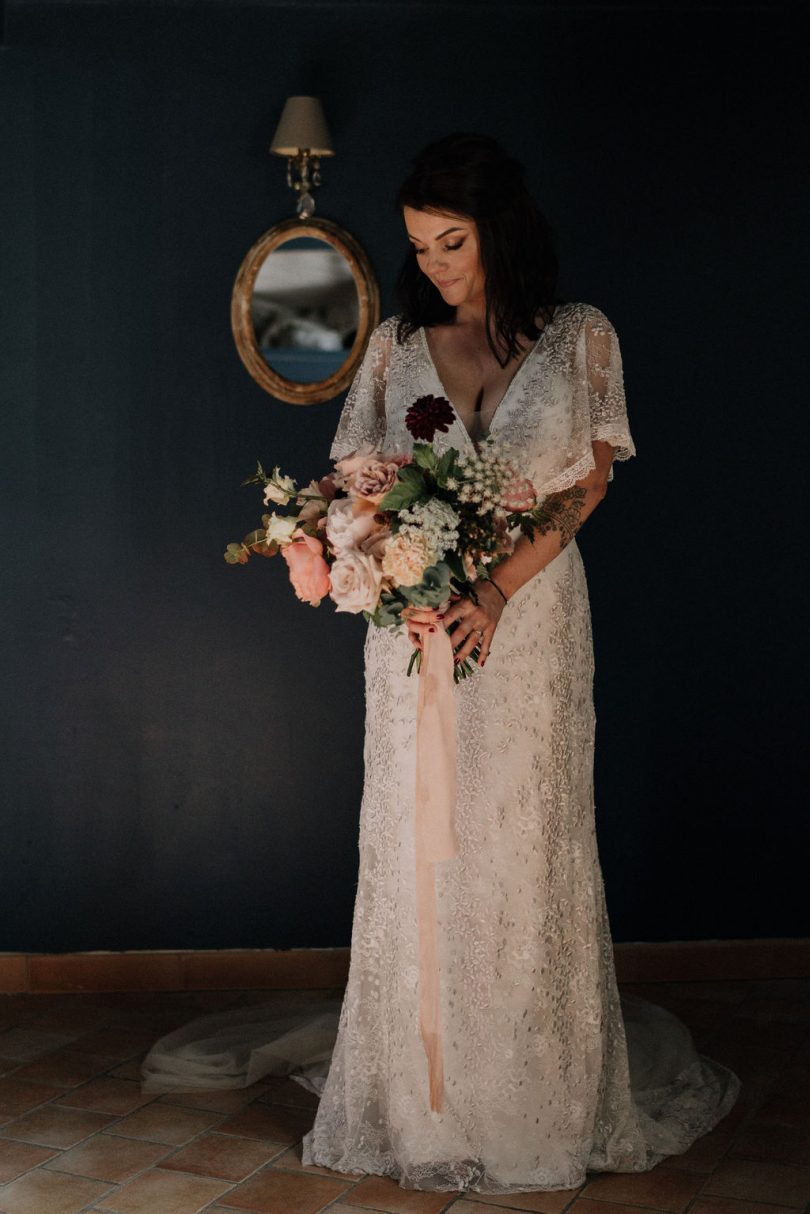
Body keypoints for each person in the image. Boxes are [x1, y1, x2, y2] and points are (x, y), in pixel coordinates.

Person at [142, 132, 740, 1194]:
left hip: (534, 623)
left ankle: (531, 1103)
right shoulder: (393, 349)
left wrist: (499, 589)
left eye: (452, 243)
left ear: (502, 230)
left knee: (526, 848)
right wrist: (333, 540)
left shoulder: (579, 336)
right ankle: (423, 1109)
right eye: (420, 246)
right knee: (423, 853)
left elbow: (588, 485)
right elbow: (350, 485)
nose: (434, 266)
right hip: (418, 643)